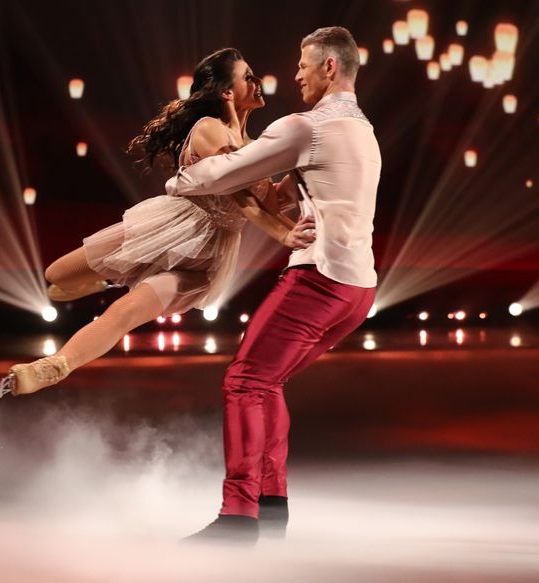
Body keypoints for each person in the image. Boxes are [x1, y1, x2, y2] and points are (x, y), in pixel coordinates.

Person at [165, 27, 381, 544]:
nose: (296, 73)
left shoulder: (306, 127)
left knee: (244, 382)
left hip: (321, 277)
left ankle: (238, 516)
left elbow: (226, 173)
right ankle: (272, 502)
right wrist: (285, 207)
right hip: (359, 288)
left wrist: (178, 180)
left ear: (330, 67)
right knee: (267, 382)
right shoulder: (362, 129)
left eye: (303, 64)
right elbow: (287, 193)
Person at [0, 48, 315, 398]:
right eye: (247, 76)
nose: (257, 82)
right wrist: (285, 234)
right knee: (56, 277)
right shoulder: (209, 129)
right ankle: (109, 277)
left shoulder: (253, 147)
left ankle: (51, 367)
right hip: (170, 228)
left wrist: (305, 188)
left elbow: (269, 203)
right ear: (226, 92)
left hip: (210, 256)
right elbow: (243, 198)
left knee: (126, 312)